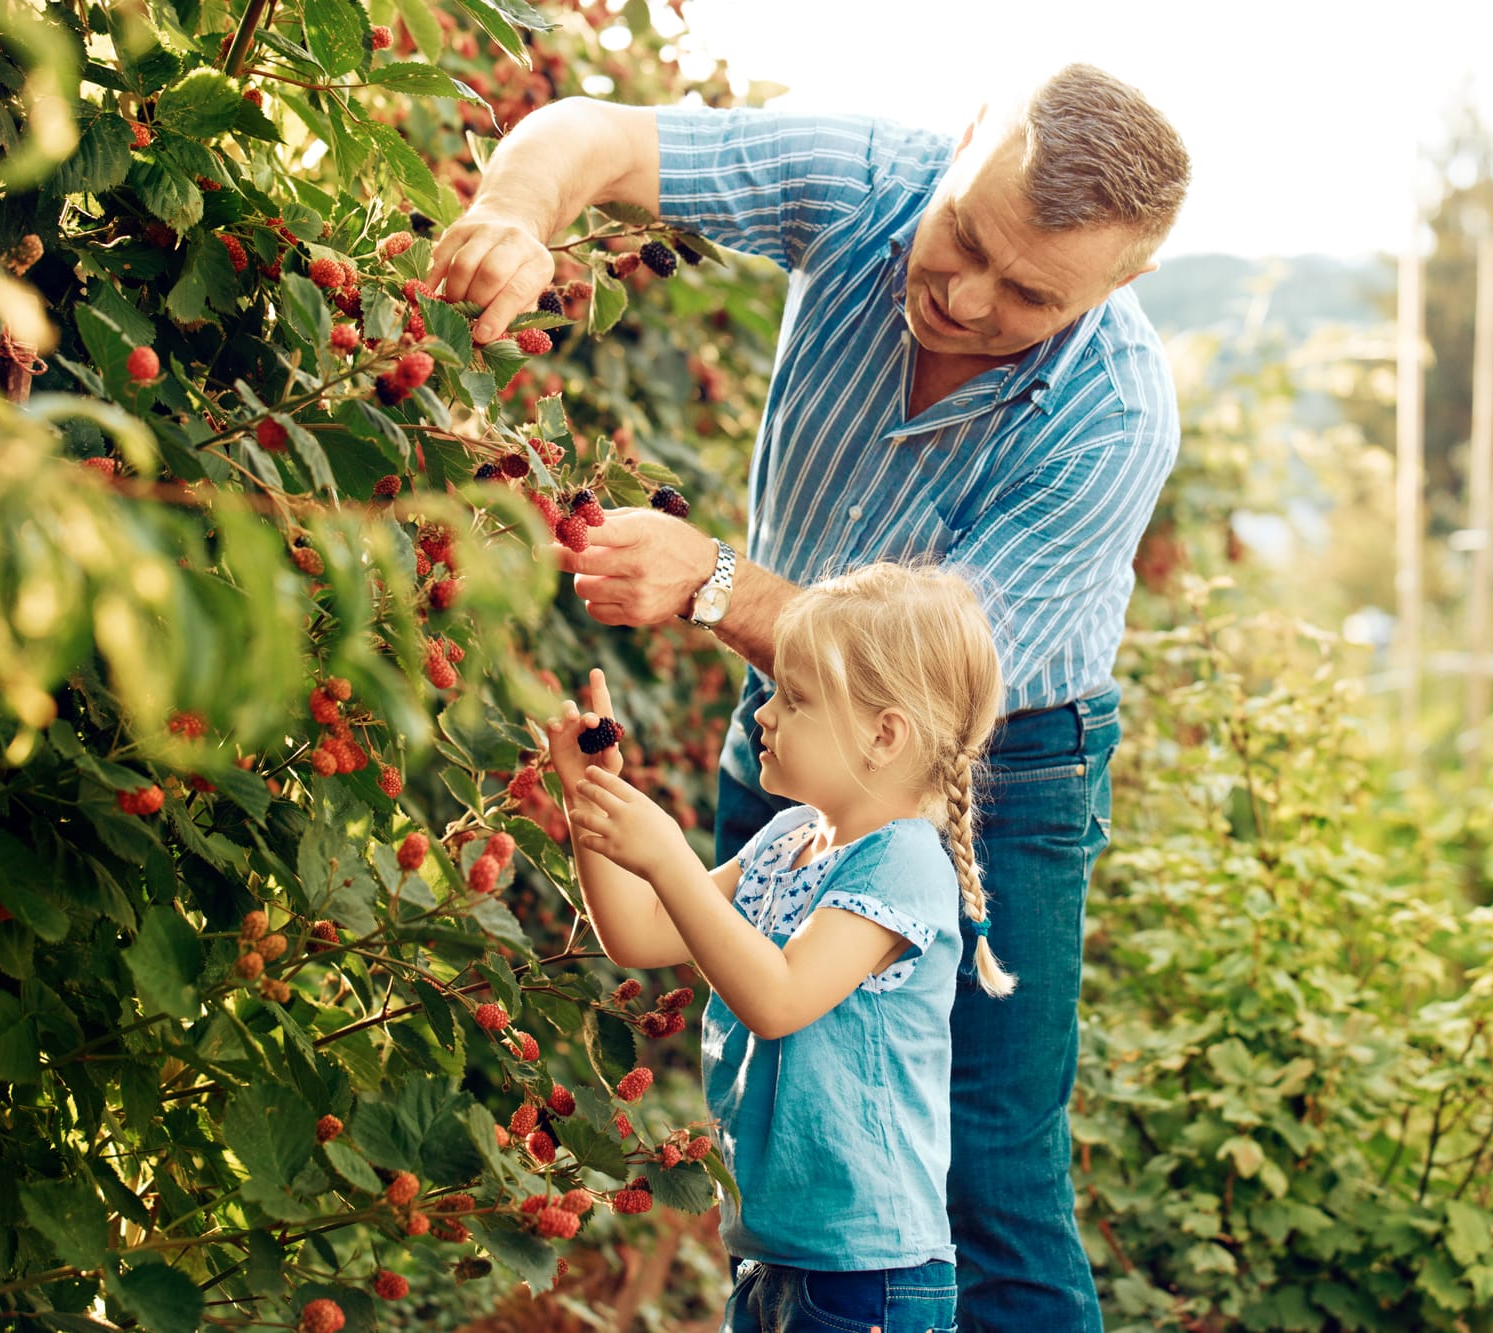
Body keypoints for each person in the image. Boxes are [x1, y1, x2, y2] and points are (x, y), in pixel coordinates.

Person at [433, 64, 1189, 1330]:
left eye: (1030, 293)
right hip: (793, 729)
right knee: (781, 1116)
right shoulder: (862, 181)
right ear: (952, 156)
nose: (962, 295)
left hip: (998, 761)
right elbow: (597, 138)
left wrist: (717, 587)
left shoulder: (1109, 420)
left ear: (1120, 286)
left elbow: (926, 681)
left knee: (989, 1178)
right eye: (961, 238)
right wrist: (516, 209)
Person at [545, 563, 1007, 1333]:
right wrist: (588, 799)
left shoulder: (902, 862)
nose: (763, 713)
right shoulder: (785, 839)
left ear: (883, 734)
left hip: (869, 1272)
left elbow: (778, 999)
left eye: (795, 698)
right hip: (773, 1251)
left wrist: (666, 854)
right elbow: (636, 931)